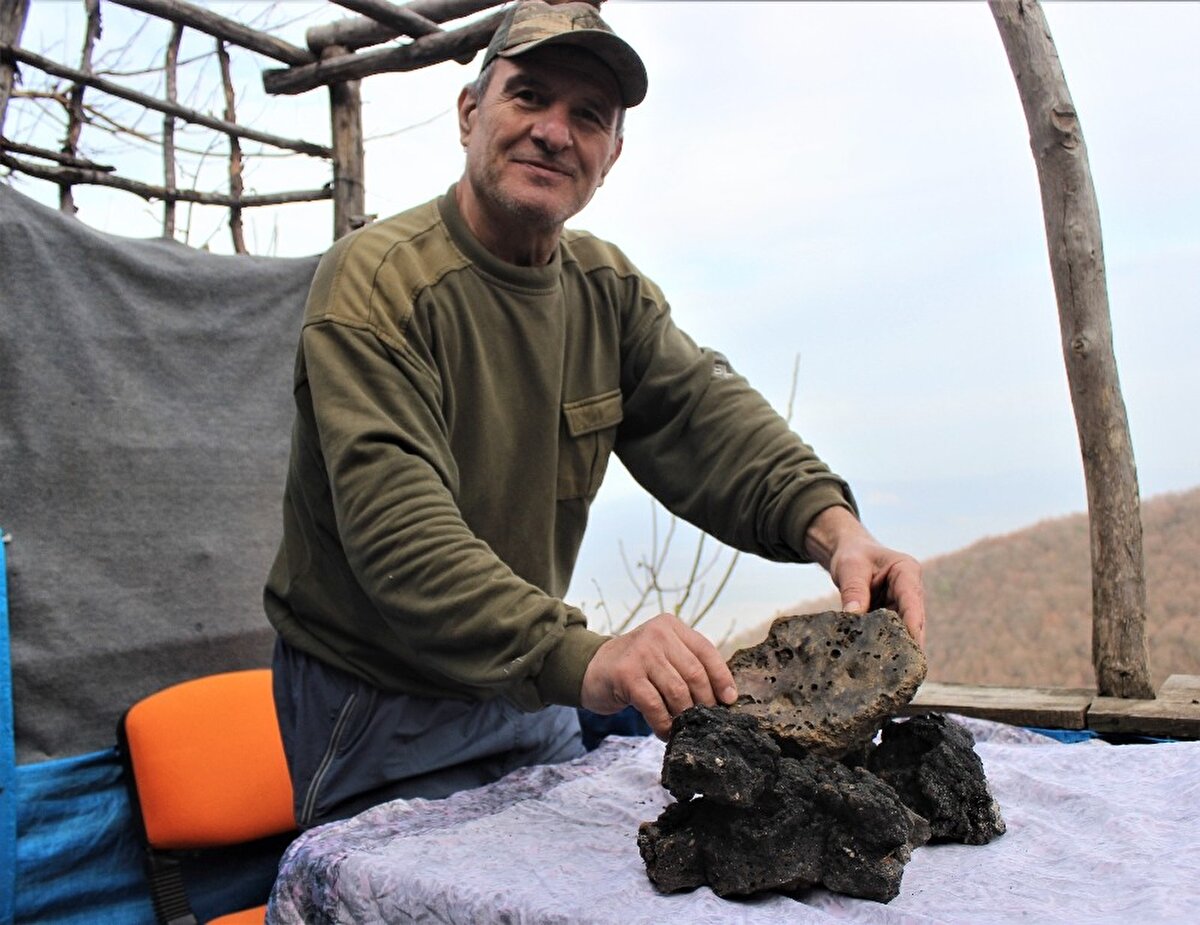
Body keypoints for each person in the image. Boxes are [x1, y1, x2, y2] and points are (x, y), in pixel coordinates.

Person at [264, 0, 924, 829]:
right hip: (380, 699)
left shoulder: (604, 291)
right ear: (470, 112)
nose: (553, 131)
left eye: (588, 117)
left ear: (611, 155)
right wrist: (589, 654)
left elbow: (705, 417)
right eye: (528, 96)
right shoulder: (377, 282)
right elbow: (400, 535)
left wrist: (839, 532)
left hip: (530, 680)